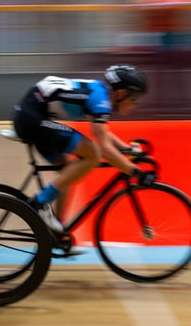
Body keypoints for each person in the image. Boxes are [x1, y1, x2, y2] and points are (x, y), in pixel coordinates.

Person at [12, 64, 153, 234]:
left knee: (68, 173)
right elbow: (106, 150)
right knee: (92, 154)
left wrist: (128, 149)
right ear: (121, 94)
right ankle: (40, 202)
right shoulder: (101, 101)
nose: (136, 104)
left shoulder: (100, 93)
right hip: (32, 119)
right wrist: (137, 173)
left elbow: (102, 133)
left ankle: (56, 232)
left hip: (31, 115)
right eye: (135, 98)